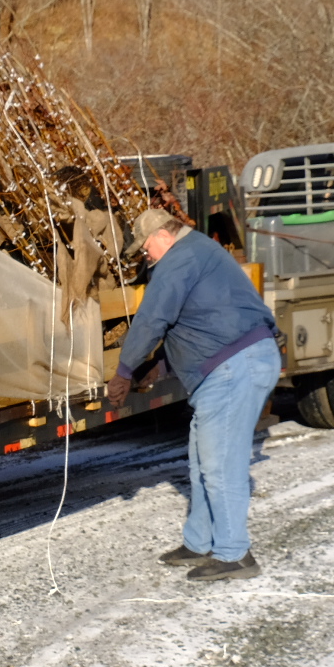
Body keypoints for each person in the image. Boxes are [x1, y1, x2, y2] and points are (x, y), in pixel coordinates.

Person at [106, 207, 281, 582]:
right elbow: (199, 322)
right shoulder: (198, 252)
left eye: (146, 248)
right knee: (202, 462)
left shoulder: (179, 259)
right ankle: (199, 542)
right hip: (233, 364)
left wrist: (123, 372)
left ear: (163, 236)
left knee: (221, 464)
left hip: (235, 367)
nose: (146, 256)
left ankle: (235, 554)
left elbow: (153, 318)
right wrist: (160, 367)